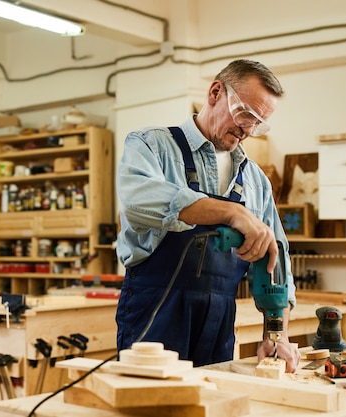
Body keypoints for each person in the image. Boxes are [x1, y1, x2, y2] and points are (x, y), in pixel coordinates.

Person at [115, 59, 301, 372]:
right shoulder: (151, 145)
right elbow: (137, 202)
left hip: (218, 322)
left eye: (259, 123)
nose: (249, 130)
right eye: (246, 114)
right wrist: (230, 212)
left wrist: (276, 332)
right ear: (216, 92)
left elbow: (275, 259)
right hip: (155, 315)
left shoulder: (255, 180)